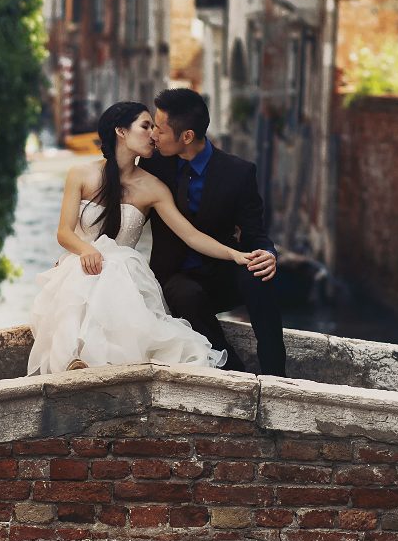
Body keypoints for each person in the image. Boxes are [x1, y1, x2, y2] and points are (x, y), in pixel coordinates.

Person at [27, 101, 254, 375]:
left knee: (112, 275)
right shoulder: (80, 174)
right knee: (87, 279)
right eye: (146, 126)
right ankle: (78, 359)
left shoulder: (153, 187)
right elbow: (64, 232)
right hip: (80, 265)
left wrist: (235, 254)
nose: (153, 135)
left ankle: (89, 363)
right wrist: (85, 250)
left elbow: (191, 236)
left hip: (125, 273)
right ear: (121, 131)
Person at [141, 88, 287, 376]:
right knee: (185, 294)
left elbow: (255, 233)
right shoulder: (152, 164)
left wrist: (269, 254)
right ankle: (235, 371)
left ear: (187, 136)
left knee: (259, 276)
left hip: (221, 272)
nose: (153, 135)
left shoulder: (239, 172)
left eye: (159, 128)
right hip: (175, 278)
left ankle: (276, 376)